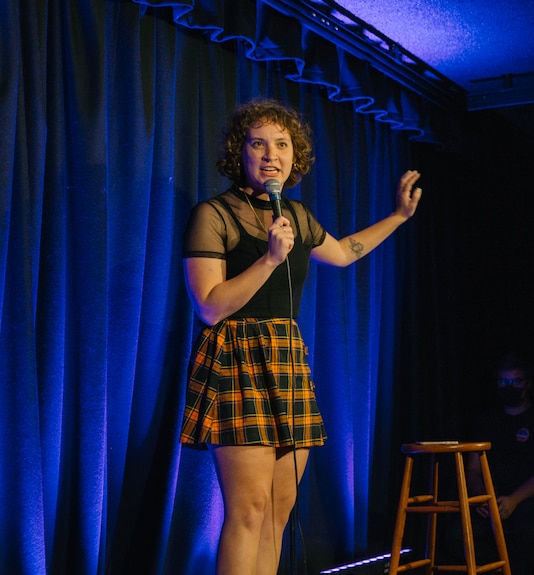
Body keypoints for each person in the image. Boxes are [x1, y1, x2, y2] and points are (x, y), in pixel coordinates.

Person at [179, 97, 422, 575]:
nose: (272, 154)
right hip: (238, 358)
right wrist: (269, 259)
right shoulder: (214, 214)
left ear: (295, 157)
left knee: (278, 511)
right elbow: (208, 306)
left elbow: (345, 253)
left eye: (282, 145)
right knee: (247, 511)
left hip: (286, 360)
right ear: (239, 151)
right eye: (259, 143)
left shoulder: (295, 214)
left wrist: (398, 217)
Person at [455, 353, 534, 575]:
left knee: (529, 535)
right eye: (504, 381)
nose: (509, 386)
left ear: (528, 383)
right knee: (456, 536)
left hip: (528, 499)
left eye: (515, 381)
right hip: (489, 501)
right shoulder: (486, 421)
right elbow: (473, 470)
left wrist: (514, 500)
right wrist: (481, 496)